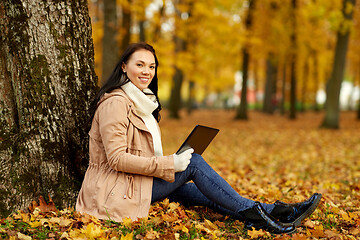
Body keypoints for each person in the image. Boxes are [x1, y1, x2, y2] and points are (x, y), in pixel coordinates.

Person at [76, 42, 321, 234]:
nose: (147, 72)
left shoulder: (141, 101)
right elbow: (117, 159)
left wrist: (167, 165)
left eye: (151, 66)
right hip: (115, 191)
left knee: (208, 196)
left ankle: (278, 211)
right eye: (140, 65)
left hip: (137, 183)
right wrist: (170, 164)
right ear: (123, 66)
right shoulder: (116, 104)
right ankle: (263, 216)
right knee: (193, 163)